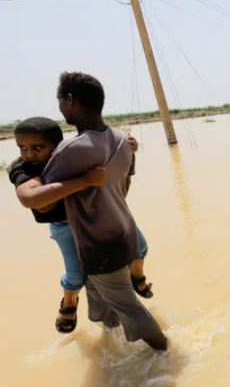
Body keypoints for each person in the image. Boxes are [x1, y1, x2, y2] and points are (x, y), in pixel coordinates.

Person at [43, 72, 167, 350]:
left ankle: (165, 354)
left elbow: (44, 204)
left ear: (71, 101)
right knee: (104, 306)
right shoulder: (124, 140)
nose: (60, 107)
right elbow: (124, 185)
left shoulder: (70, 150)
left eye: (61, 101)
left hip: (97, 244)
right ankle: (114, 355)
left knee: (130, 308)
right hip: (123, 232)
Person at [9, 117, 154, 333]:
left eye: (37, 148)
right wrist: (85, 181)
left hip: (101, 217)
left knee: (141, 247)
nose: (29, 154)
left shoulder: (73, 157)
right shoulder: (24, 168)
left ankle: (137, 276)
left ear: (58, 147)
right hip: (65, 226)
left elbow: (111, 166)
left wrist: (128, 148)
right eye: (22, 148)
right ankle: (69, 302)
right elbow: (29, 197)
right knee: (76, 276)